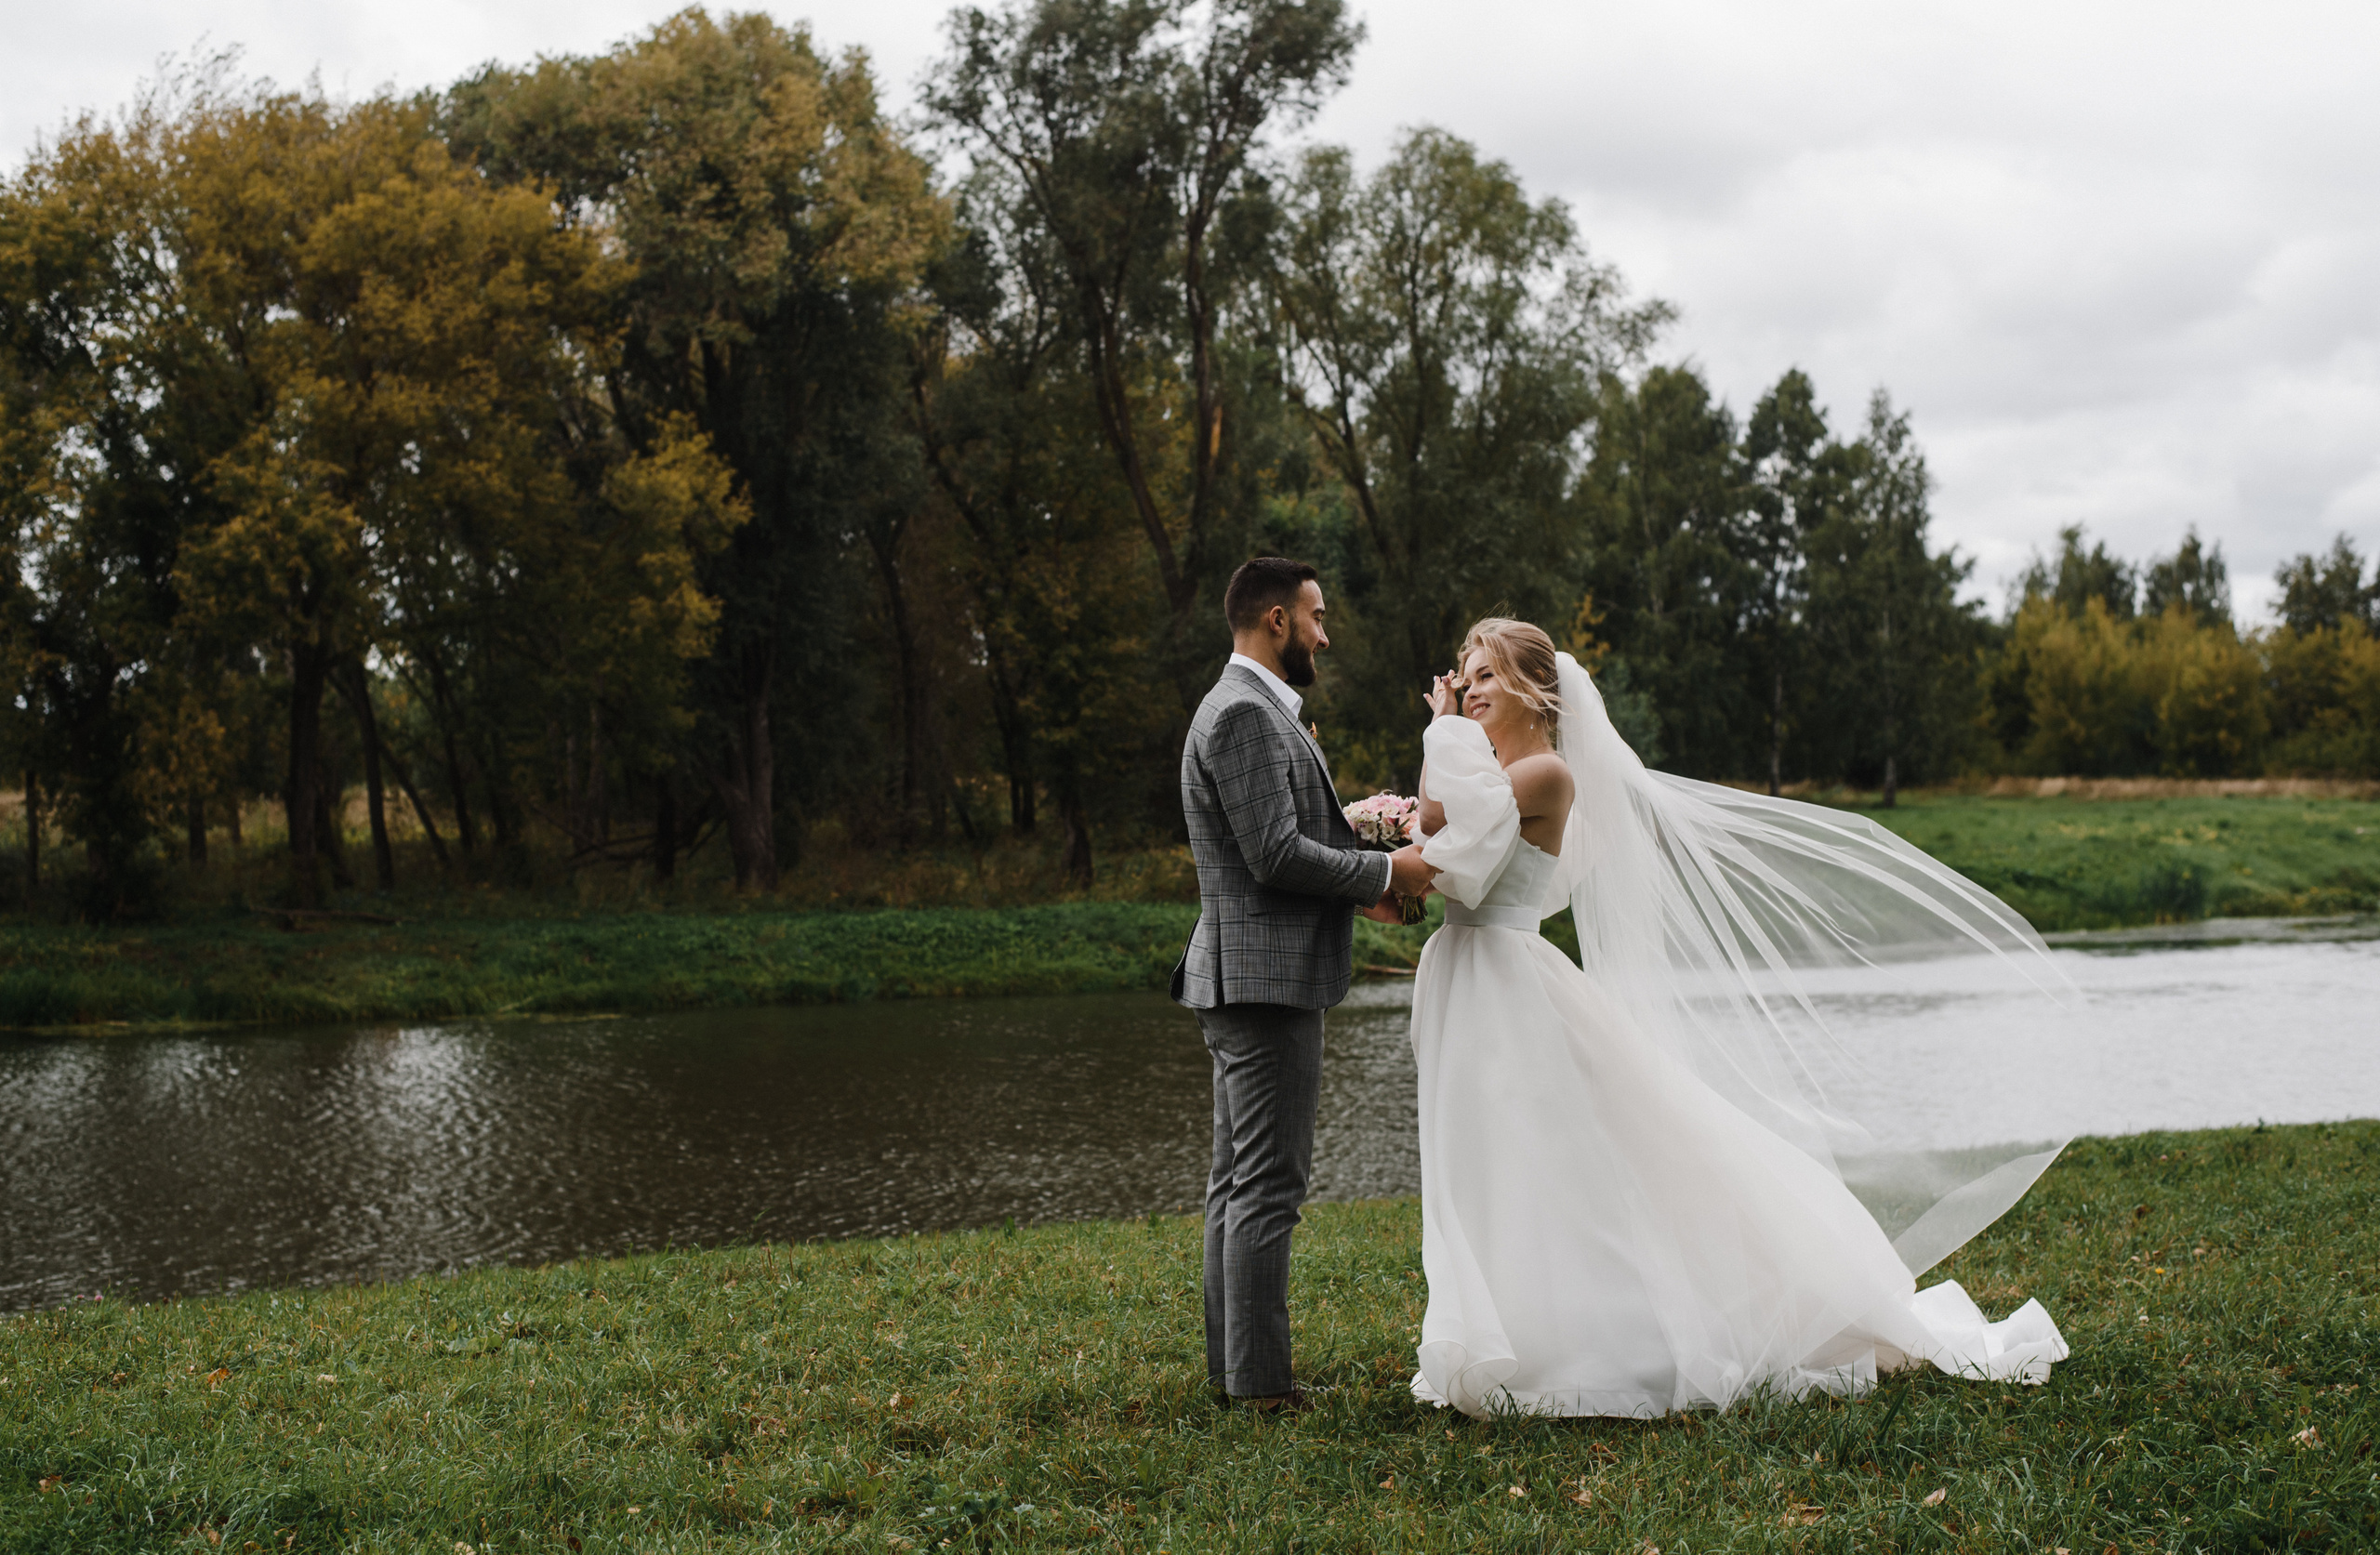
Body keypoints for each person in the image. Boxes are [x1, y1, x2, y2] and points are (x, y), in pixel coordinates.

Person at [1405, 617, 2070, 1417]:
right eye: (1465, 673)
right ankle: (1504, 1325)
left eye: (1485, 673)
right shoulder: (1490, 774)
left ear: (1532, 687)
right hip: (1475, 980)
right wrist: (1428, 769)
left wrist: (1433, 742)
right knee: (1494, 1158)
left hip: (1510, 984)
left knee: (1543, 1157)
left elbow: (1440, 833)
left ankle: (1594, 1338)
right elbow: (1443, 828)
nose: (1469, 686)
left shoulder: (1545, 774)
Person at [1173, 557, 1433, 1411]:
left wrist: (1359, 874)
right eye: (1317, 617)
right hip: (1264, 981)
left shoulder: (1244, 706)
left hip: (1249, 975)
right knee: (1267, 1186)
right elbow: (1275, 855)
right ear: (1277, 619)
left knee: (1237, 1182)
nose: (1325, 635)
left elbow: (1280, 840)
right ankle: (1259, 1388)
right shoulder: (1246, 714)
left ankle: (1236, 1373)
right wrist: (1386, 869)